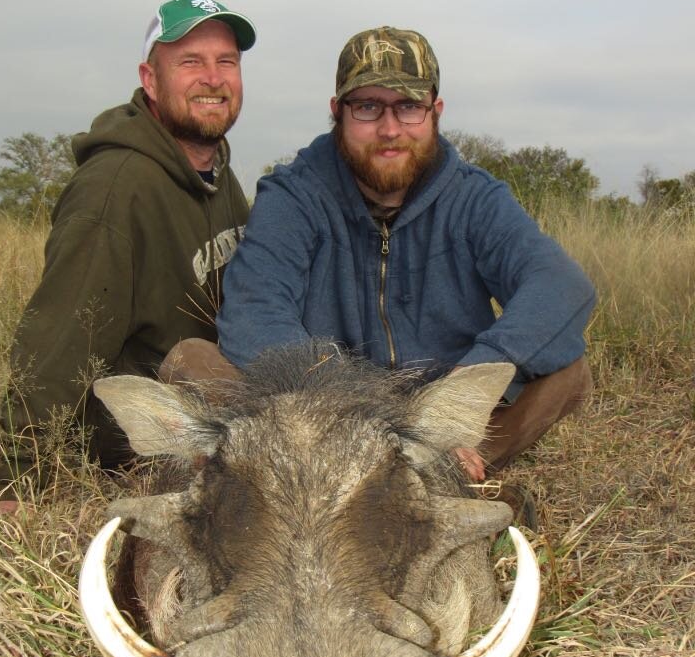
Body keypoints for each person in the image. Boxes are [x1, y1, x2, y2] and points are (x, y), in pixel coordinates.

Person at [216, 26, 595, 481]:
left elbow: (559, 284)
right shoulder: (293, 194)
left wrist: (458, 398)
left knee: (568, 372)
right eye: (368, 107)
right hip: (323, 420)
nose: (390, 128)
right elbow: (255, 309)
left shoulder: (474, 196)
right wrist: (344, 408)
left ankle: (439, 473)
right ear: (338, 112)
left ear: (436, 112)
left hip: (444, 421)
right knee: (193, 359)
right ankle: (415, 483)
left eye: (409, 107)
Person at [0, 0, 256, 504]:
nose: (213, 77)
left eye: (227, 62)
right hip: (136, 423)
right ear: (150, 80)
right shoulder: (113, 189)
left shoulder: (217, 170)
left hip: (208, 390)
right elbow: (60, 339)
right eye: (190, 62)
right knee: (198, 363)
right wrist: (16, 481)